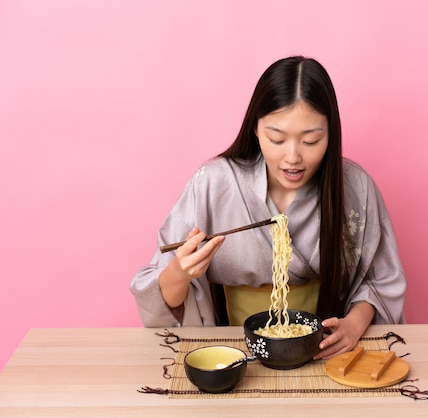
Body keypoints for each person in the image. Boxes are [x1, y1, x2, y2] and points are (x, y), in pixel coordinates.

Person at [130, 56, 406, 360]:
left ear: (331, 134)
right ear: (256, 130)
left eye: (311, 141)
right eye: (276, 138)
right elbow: (158, 292)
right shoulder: (215, 182)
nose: (292, 157)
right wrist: (178, 273)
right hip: (234, 350)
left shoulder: (355, 186)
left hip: (323, 350)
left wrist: (354, 324)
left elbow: (381, 281)